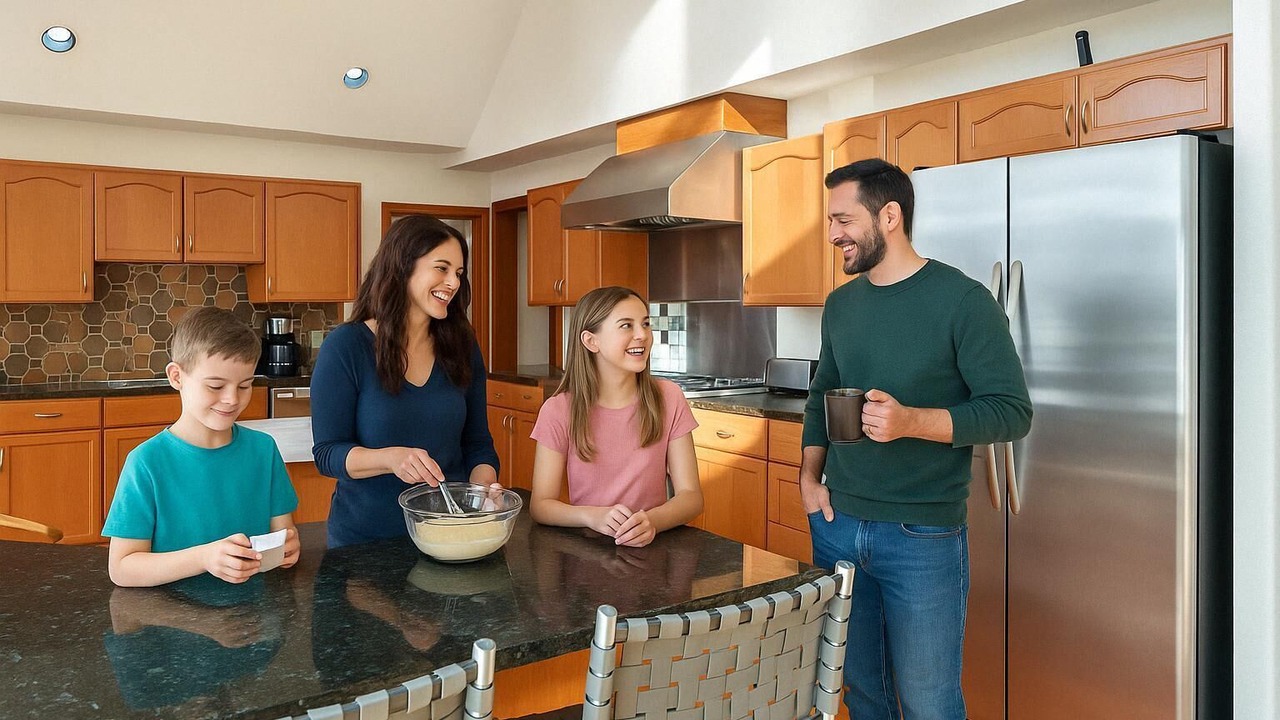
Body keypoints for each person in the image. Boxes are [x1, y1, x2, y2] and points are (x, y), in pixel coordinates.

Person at [801, 159, 1032, 719]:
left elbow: (1010, 412)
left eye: (843, 219)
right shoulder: (841, 305)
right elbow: (821, 395)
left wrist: (912, 422)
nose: (833, 235)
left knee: (929, 702)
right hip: (838, 526)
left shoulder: (962, 300)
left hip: (923, 533)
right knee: (862, 691)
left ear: (889, 216)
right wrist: (810, 480)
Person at [311, 215, 499, 548]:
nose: (453, 283)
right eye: (441, 268)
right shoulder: (346, 347)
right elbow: (328, 454)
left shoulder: (463, 346)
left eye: (458, 273)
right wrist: (390, 458)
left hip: (448, 536)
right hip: (365, 545)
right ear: (402, 267)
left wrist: (483, 490)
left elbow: (478, 442)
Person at [104, 307, 301, 587]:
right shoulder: (146, 462)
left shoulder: (263, 450)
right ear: (176, 377)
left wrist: (287, 548)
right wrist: (204, 558)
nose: (232, 399)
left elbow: (283, 533)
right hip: (172, 618)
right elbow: (122, 568)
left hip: (253, 617)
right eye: (216, 386)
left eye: (244, 386)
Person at [528, 286, 703, 548]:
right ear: (591, 341)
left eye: (645, 324)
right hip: (588, 553)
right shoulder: (558, 410)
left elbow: (691, 497)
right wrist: (591, 516)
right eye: (626, 326)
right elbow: (541, 505)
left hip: (652, 550)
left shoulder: (669, 397)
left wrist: (652, 521)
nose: (642, 335)